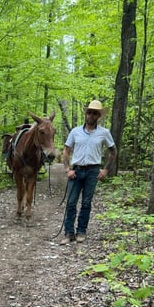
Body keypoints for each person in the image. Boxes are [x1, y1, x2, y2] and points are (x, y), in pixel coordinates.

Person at [58, 100, 117, 244]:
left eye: (95, 113)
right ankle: (68, 233)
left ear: (99, 116)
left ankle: (81, 231)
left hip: (93, 171)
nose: (91, 115)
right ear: (86, 113)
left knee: (86, 203)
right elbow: (66, 150)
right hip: (76, 171)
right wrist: (67, 169)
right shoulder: (75, 131)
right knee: (71, 203)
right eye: (89, 112)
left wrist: (106, 169)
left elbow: (113, 151)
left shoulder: (104, 133)